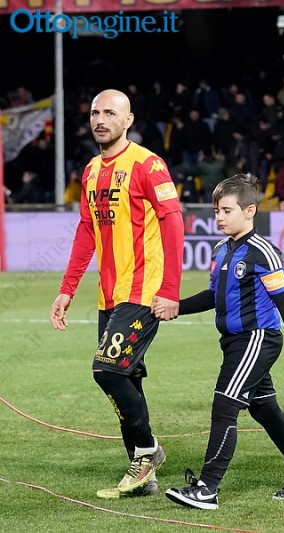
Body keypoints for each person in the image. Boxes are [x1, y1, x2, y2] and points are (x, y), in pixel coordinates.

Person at [162, 173, 284, 509]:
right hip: (234, 343)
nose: (219, 218)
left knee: (225, 405)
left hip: (257, 339)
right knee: (265, 409)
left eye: (227, 210)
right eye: (216, 211)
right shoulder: (221, 249)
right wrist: (177, 306)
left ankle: (207, 488)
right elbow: (214, 296)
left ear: (249, 211)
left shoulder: (264, 252)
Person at [49, 89, 183, 498]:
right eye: (95, 112)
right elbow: (86, 231)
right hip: (109, 295)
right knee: (127, 378)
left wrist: (170, 290)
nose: (100, 119)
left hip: (143, 290)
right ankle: (144, 477)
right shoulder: (91, 170)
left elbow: (173, 222)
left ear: (128, 120)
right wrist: (67, 289)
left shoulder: (148, 164)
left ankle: (148, 451)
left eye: (110, 112)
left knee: (106, 370)